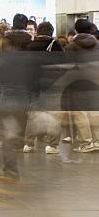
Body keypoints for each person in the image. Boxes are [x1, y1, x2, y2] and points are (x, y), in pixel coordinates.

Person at [0, 13, 33, 181]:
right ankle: (12, 167)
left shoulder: (5, 44)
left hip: (8, 92)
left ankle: (10, 169)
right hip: (25, 93)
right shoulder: (31, 44)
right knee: (18, 131)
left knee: (7, 132)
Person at [22, 22, 63, 155]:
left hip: (34, 87)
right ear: (51, 32)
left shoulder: (29, 46)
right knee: (54, 115)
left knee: (33, 115)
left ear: (38, 31)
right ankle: (52, 146)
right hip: (52, 86)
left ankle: (28, 143)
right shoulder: (56, 46)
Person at [64, 18, 99, 153]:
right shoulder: (97, 44)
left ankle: (86, 142)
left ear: (76, 29)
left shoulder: (71, 47)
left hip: (78, 83)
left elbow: (67, 67)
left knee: (80, 114)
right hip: (95, 82)